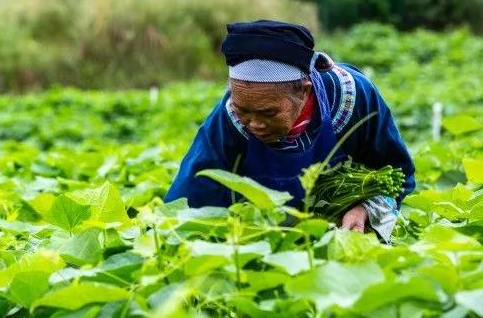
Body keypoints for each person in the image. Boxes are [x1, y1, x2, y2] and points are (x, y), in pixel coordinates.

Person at [166, 19, 414, 240]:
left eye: (268, 112)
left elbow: (397, 173)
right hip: (261, 240)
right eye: (244, 110)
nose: (254, 124)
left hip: (342, 239)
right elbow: (188, 199)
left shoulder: (353, 96)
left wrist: (366, 210)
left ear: (303, 91)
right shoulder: (228, 119)